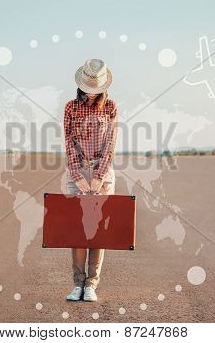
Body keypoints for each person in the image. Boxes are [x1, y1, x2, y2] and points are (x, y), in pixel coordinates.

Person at [63, 58, 118, 302]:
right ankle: (77, 283)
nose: (91, 93)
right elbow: (69, 144)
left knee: (98, 232)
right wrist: (79, 177)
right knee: (77, 230)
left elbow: (110, 146)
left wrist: (98, 178)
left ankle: (91, 284)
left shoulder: (111, 108)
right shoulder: (70, 108)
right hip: (77, 174)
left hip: (103, 175)